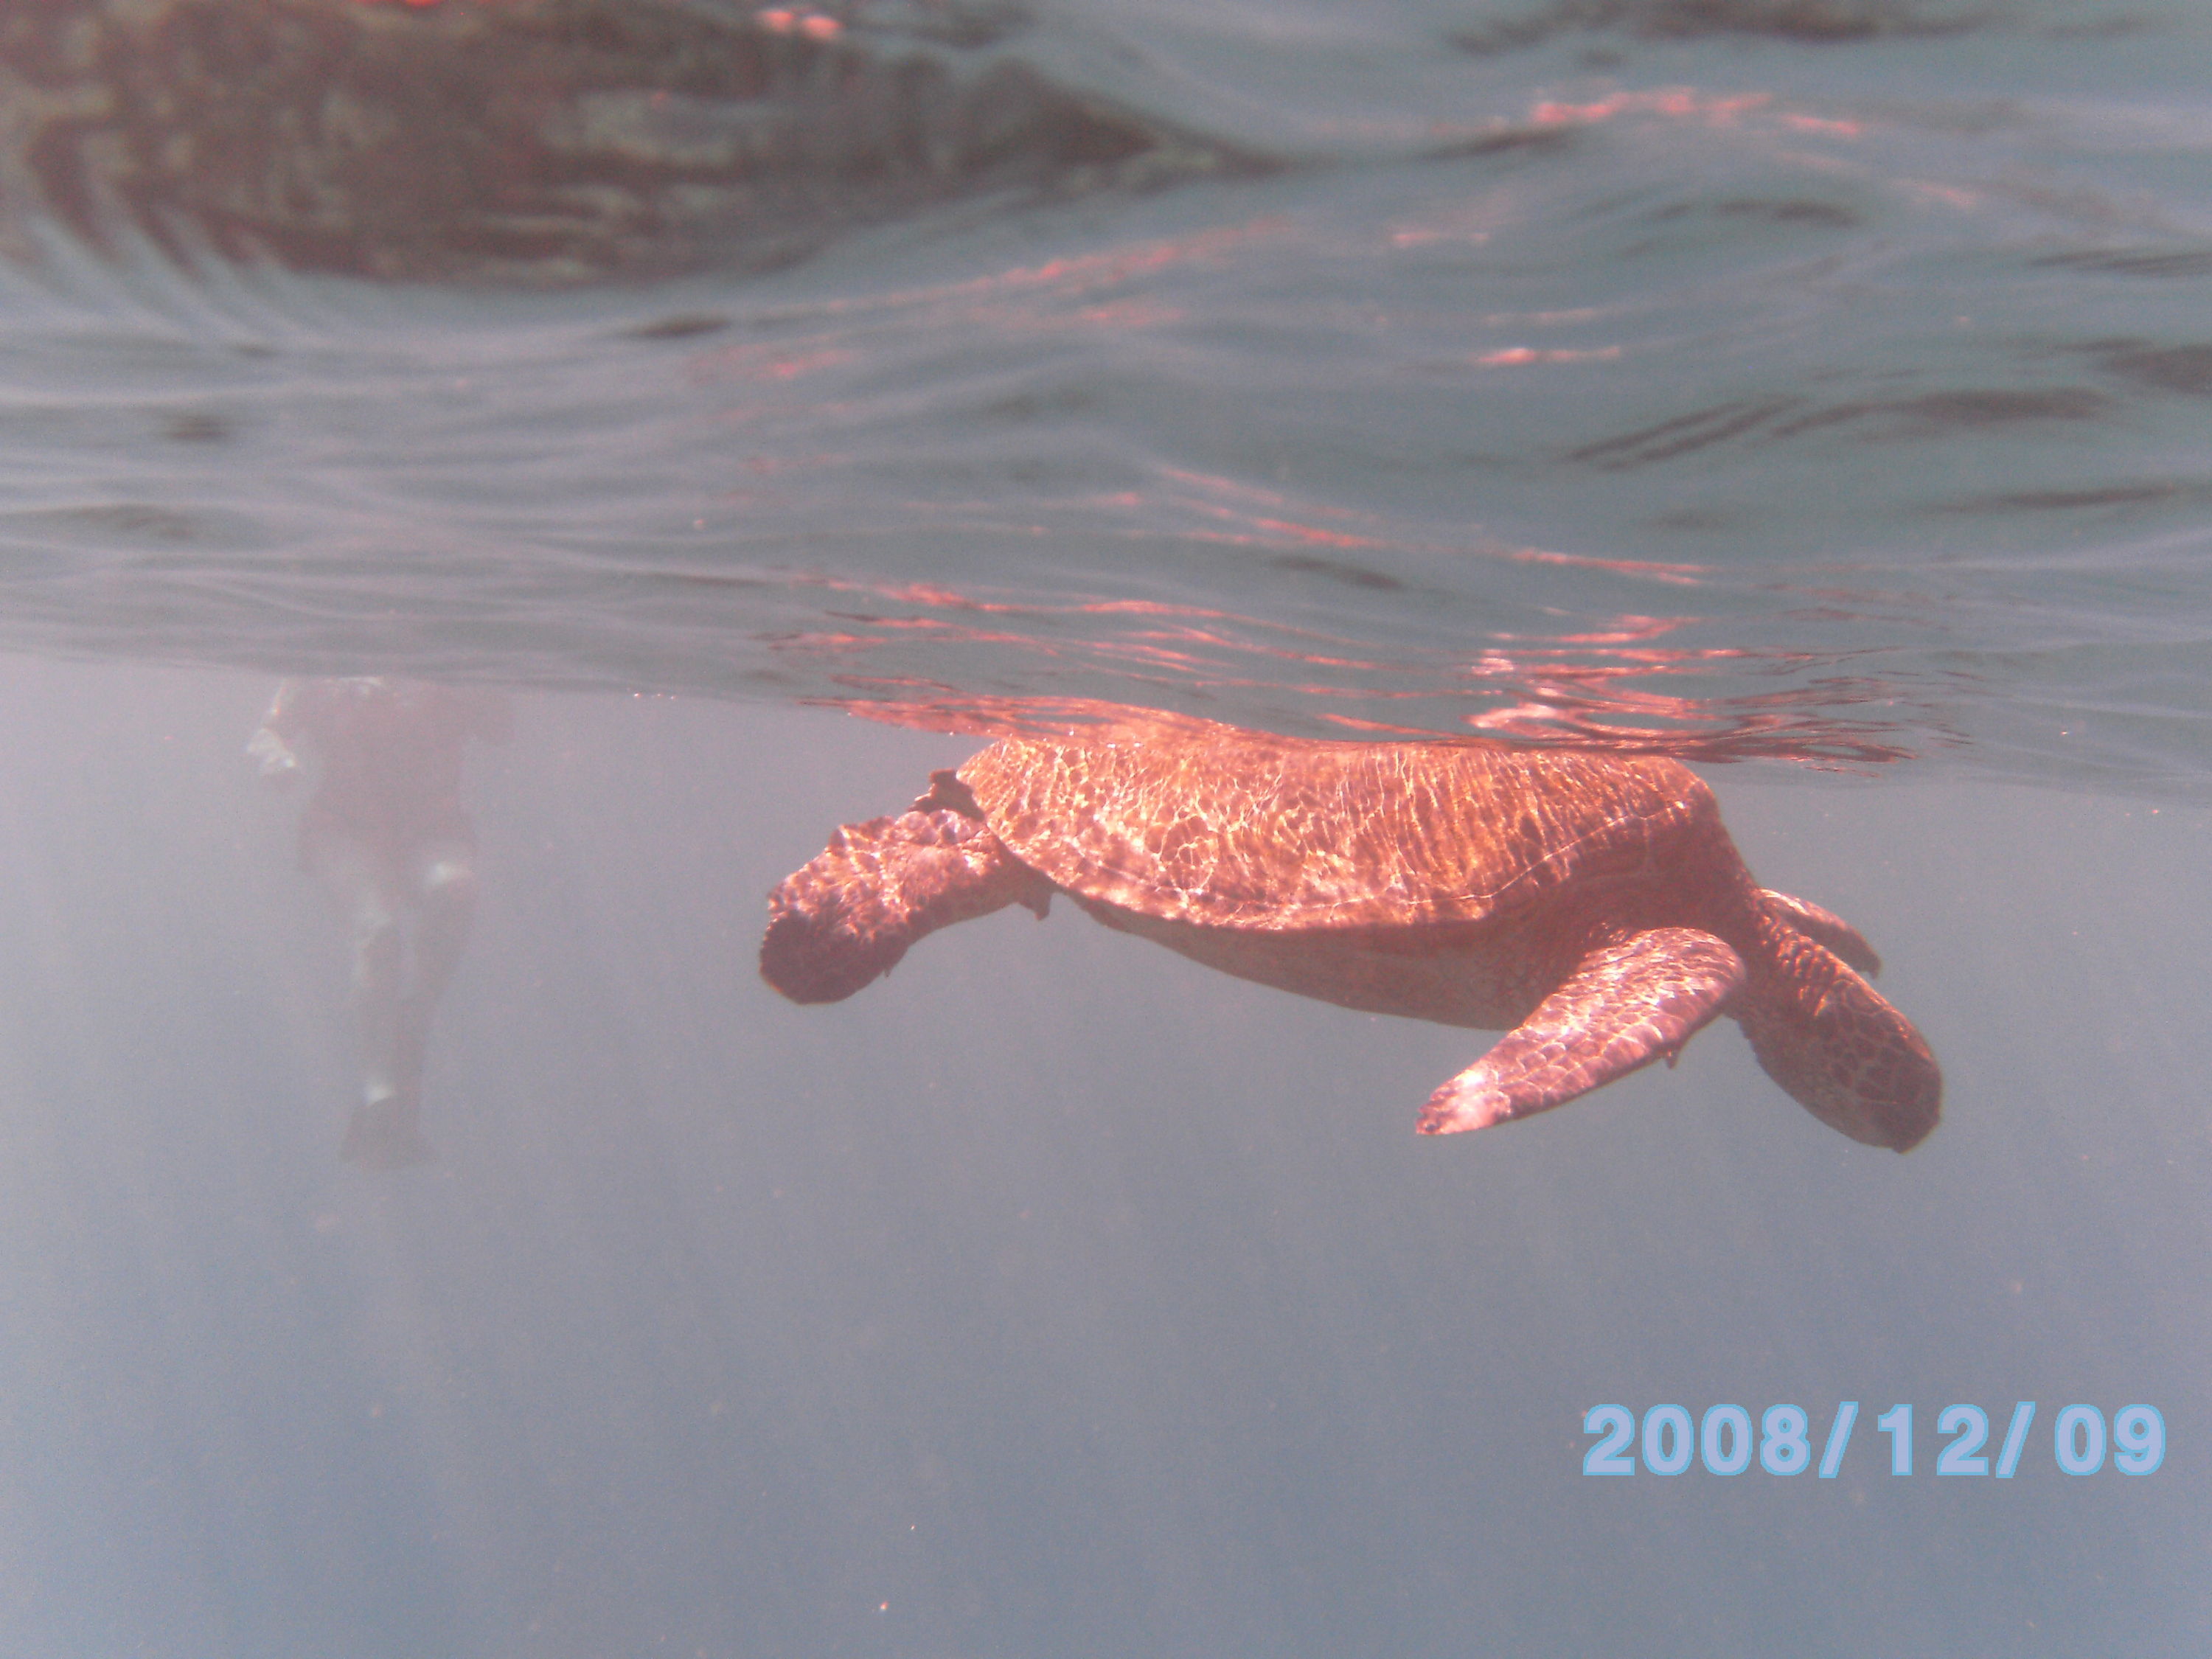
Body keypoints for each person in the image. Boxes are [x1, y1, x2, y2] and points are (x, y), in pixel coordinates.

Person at [250, 678, 512, 1169]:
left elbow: (501, 728)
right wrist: (275, 758)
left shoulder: (448, 667)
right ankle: (379, 1094)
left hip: (431, 824)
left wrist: (479, 685)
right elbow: (268, 730)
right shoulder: (325, 671)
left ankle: (418, 1013)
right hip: (342, 829)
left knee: (455, 891)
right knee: (379, 932)